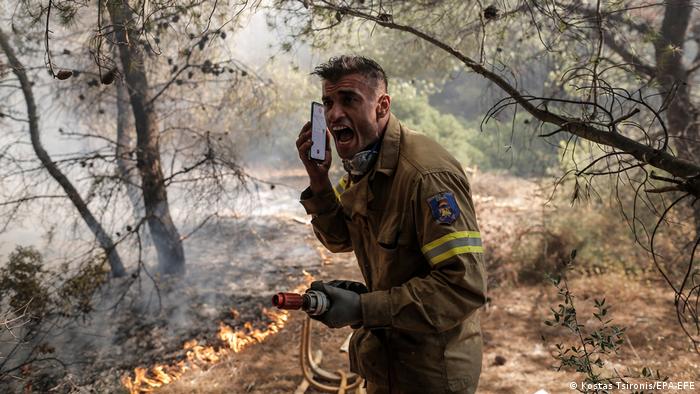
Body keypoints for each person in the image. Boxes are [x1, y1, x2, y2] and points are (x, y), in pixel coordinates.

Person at [295, 55, 487, 394]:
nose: (334, 114)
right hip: (388, 364)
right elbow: (339, 238)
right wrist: (319, 180)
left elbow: (463, 288)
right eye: (328, 102)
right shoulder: (366, 165)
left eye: (349, 100)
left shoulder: (427, 175)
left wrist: (365, 306)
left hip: (431, 375)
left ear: (382, 106)